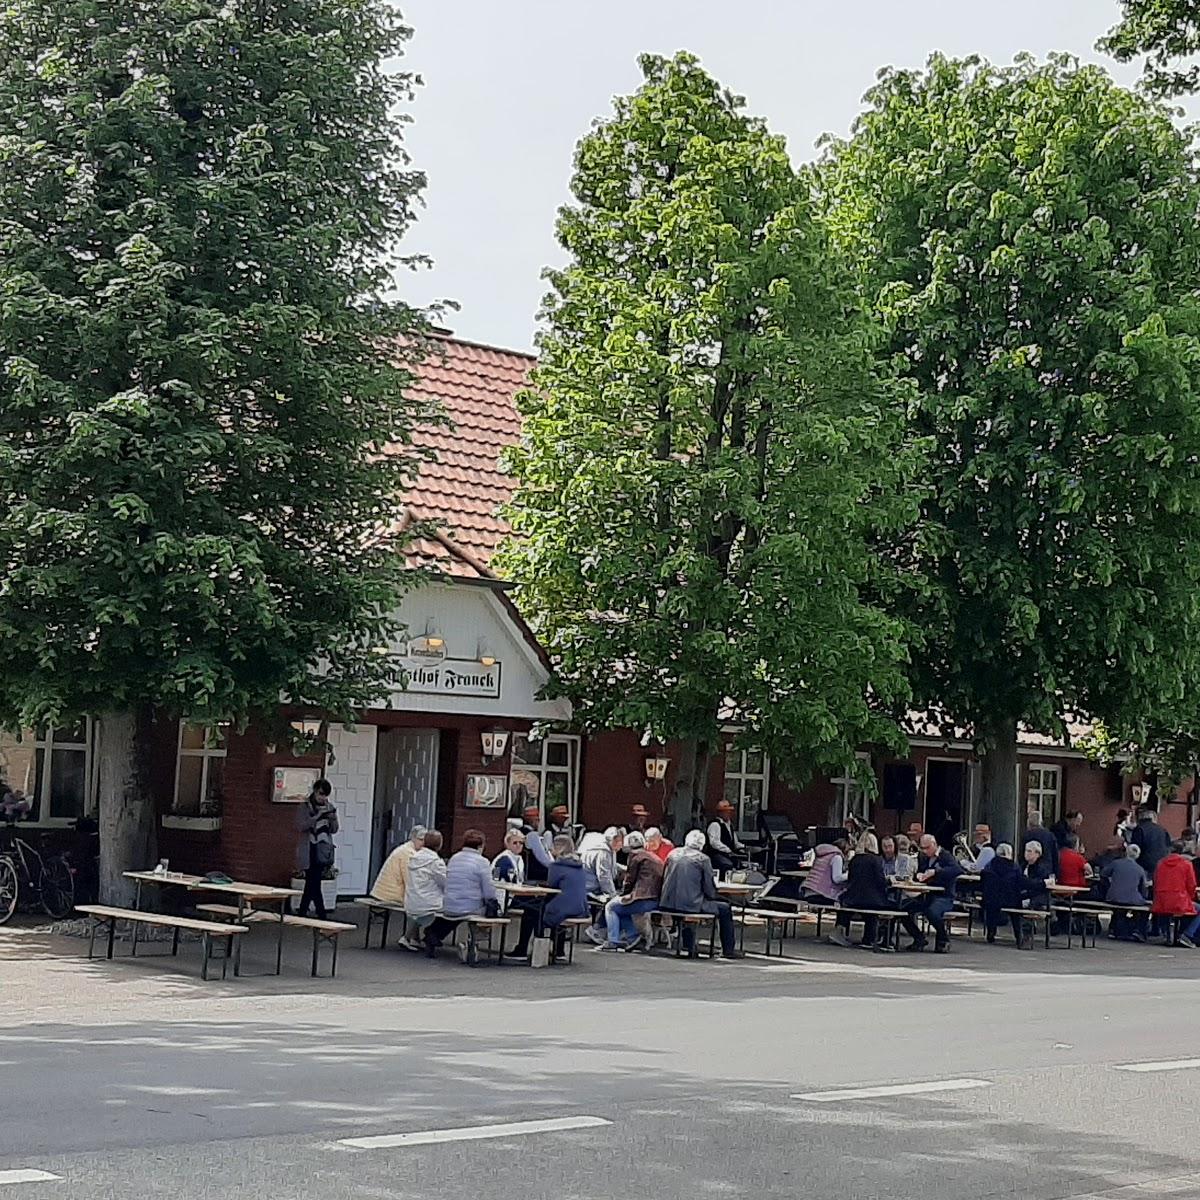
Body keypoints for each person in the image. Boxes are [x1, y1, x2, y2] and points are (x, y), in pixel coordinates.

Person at [660, 830, 739, 959]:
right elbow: (709, 889)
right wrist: (714, 896)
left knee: (689, 905)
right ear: (701, 845)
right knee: (725, 908)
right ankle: (728, 950)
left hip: (667, 902)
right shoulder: (702, 859)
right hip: (690, 903)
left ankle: (688, 944)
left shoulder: (672, 854)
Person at [424, 830, 500, 959]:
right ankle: (472, 943)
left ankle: (433, 933)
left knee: (456, 913)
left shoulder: (454, 858)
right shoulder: (483, 862)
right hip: (470, 906)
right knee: (493, 913)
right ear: (481, 845)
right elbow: (489, 891)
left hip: (449, 903)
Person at [898, 834, 963, 953]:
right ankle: (918, 938)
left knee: (932, 912)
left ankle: (943, 939)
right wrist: (919, 875)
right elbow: (921, 871)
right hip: (927, 894)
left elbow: (956, 870)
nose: (924, 851)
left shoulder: (945, 856)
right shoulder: (923, 857)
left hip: (944, 895)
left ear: (934, 844)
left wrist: (936, 872)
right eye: (922, 848)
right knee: (902, 908)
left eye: (927, 848)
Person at [831, 833, 896, 950]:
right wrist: (889, 881)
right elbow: (880, 881)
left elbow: (850, 878)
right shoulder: (876, 860)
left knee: (859, 908)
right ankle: (870, 939)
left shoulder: (854, 859)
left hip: (853, 898)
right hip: (872, 900)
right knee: (876, 910)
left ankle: (841, 931)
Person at [600, 831, 663, 951]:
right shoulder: (654, 857)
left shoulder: (635, 856)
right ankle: (632, 937)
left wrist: (622, 895)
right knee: (622, 910)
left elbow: (629, 880)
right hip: (656, 899)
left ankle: (613, 940)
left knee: (610, 907)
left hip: (642, 898)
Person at [296, 779, 338, 919]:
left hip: (322, 848)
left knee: (313, 882)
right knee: (313, 881)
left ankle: (303, 911)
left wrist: (332, 818)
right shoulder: (305, 807)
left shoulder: (329, 807)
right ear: (314, 791)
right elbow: (301, 826)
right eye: (320, 794)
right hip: (309, 848)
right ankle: (321, 914)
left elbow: (334, 829)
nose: (323, 798)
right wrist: (317, 817)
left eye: (325, 795)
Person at [578, 826, 625, 943]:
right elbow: (603, 876)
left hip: (587, 885)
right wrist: (612, 894)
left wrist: (622, 868)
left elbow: (609, 867)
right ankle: (597, 929)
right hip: (590, 888)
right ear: (613, 840)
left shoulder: (603, 848)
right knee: (613, 903)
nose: (621, 845)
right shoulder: (603, 852)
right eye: (620, 841)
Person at [403, 830, 446, 950]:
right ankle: (433, 934)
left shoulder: (413, 858)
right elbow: (446, 883)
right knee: (456, 909)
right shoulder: (436, 863)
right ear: (439, 845)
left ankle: (413, 937)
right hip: (429, 904)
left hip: (410, 902)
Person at [1151, 840, 1200, 947]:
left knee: (1165, 911)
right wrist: (1190, 897)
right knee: (1198, 909)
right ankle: (1187, 935)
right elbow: (1191, 885)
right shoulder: (1186, 864)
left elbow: (1155, 881)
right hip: (1179, 900)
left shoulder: (1160, 863)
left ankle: (1166, 934)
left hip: (1161, 900)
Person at [1102, 843, 1150, 941]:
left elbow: (1103, 874)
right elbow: (1143, 888)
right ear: (1138, 855)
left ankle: (1115, 929)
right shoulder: (1140, 870)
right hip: (1132, 899)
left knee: (1119, 910)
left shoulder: (1116, 863)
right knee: (1145, 910)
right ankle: (1138, 931)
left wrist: (1109, 887)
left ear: (1125, 853)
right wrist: (1144, 897)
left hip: (1113, 897)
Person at [370, 825, 425, 907]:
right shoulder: (408, 853)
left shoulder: (405, 849)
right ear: (412, 838)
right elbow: (409, 879)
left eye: (425, 840)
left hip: (383, 892)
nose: (423, 843)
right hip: (390, 895)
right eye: (420, 840)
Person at [980, 843, 1025, 943]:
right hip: (1010, 900)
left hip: (991, 900)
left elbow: (982, 882)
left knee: (991, 907)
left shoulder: (989, 866)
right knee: (1016, 910)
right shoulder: (1014, 867)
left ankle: (991, 932)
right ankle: (1018, 935)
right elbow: (1020, 883)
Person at [801, 839, 850, 906]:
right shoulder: (836, 857)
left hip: (808, 891)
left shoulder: (823, 854)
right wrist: (850, 874)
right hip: (820, 893)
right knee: (844, 901)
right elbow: (837, 878)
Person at [1131, 806, 1171, 877]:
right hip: (1161, 864)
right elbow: (1168, 846)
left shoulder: (1139, 829)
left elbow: (1135, 849)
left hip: (1144, 864)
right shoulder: (1162, 829)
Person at [706, 800, 744, 877]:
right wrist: (728, 850)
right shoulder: (715, 825)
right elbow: (714, 842)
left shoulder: (729, 825)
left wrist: (745, 847)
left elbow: (734, 842)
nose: (729, 814)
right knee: (727, 865)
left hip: (728, 855)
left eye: (730, 811)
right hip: (717, 855)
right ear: (720, 813)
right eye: (726, 811)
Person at [517, 806, 554, 883]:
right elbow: (542, 857)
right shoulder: (532, 835)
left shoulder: (519, 832)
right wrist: (554, 866)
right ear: (530, 820)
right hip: (534, 875)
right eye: (536, 819)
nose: (539, 821)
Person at [1021, 810, 1059, 876]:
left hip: (1030, 869)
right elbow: (1055, 855)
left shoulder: (1026, 835)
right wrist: (1056, 872)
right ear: (1041, 822)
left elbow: (1022, 854)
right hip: (1046, 869)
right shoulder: (1049, 835)